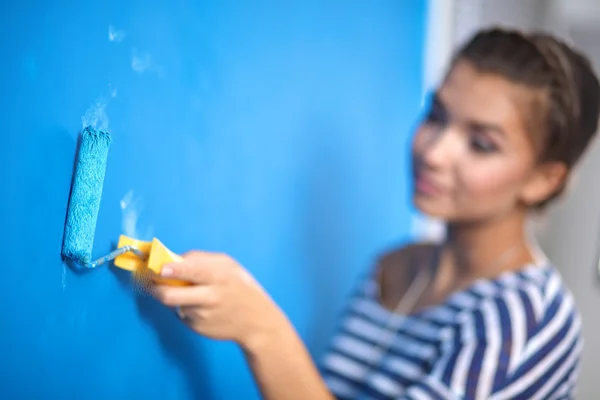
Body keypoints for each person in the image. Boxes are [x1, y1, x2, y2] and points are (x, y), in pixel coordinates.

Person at [150, 27, 600, 399]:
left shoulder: (526, 318)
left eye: (481, 144)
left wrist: (262, 332)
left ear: (544, 179)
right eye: (436, 116)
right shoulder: (393, 268)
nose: (434, 152)